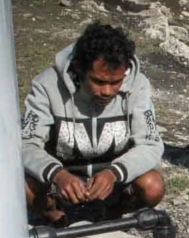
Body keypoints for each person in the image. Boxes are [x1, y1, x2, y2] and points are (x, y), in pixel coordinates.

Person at [21, 22, 165, 226]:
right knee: (25, 188)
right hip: (61, 179)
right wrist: (58, 175)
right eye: (98, 81)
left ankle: (111, 214)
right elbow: (26, 144)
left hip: (113, 178)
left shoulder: (138, 85)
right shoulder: (46, 85)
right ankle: (55, 216)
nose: (107, 91)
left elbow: (151, 145)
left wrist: (114, 173)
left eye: (115, 82)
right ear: (80, 68)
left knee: (153, 187)